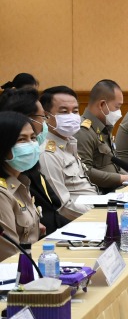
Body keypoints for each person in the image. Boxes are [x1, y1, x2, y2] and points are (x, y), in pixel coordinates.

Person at [0, 88, 70, 234]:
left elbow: (51, 211)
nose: (45, 123)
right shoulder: (6, 188)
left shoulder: (24, 177)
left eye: (32, 138)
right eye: (42, 117)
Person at [38, 86, 99, 220]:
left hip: (94, 207)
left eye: (75, 111)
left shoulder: (69, 143)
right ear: (46, 116)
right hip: (80, 221)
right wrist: (100, 216)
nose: (71, 116)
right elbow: (63, 206)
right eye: (64, 112)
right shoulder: (47, 153)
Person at [74, 80, 128, 193]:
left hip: (116, 189)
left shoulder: (103, 128)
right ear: (102, 104)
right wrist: (122, 179)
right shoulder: (83, 131)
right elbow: (85, 171)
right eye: (117, 107)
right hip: (101, 194)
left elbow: (114, 165)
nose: (119, 112)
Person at [0, 111, 43, 261]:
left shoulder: (22, 182)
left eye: (33, 138)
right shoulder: (2, 193)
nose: (31, 144)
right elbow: (10, 254)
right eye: (22, 140)